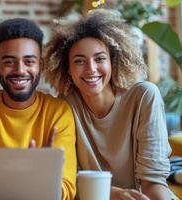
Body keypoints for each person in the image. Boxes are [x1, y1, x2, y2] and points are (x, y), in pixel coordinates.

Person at [44, 9, 172, 200]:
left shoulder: (144, 96)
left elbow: (153, 182)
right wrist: (110, 194)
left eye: (100, 58)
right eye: (79, 61)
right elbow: (67, 180)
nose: (91, 69)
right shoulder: (64, 106)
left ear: (113, 62)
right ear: (68, 69)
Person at [0, 18, 77, 200]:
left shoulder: (58, 112)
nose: (20, 70)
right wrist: (31, 180)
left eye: (29, 61)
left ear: (40, 65)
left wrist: (37, 181)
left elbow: (67, 188)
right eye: (9, 62)